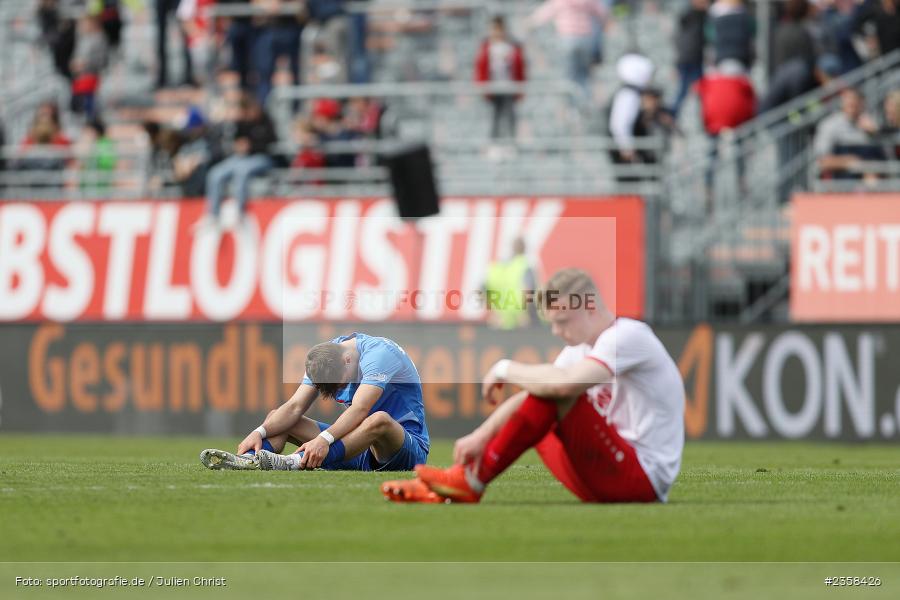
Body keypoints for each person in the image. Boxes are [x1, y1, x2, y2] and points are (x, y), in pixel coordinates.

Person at [382, 268, 684, 504]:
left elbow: (562, 388)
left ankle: (470, 483)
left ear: (590, 307)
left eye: (563, 321)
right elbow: (534, 397)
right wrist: (480, 436)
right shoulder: (582, 348)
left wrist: (505, 368)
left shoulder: (629, 336)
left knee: (556, 392)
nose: (557, 331)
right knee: (545, 391)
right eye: (552, 323)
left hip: (641, 481)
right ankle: (448, 488)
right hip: (609, 474)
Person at [200, 332, 430, 473]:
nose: (340, 390)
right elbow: (294, 407)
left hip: (404, 450)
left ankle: (293, 462)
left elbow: (360, 409)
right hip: (357, 451)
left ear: (347, 360)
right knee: (277, 418)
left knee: (378, 420)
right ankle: (249, 461)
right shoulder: (325, 358)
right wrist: (259, 432)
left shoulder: (379, 355)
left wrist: (323, 440)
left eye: (340, 385)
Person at [203, 93, 277, 223]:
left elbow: (271, 144)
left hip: (261, 157)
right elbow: (236, 141)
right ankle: (212, 215)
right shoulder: (242, 123)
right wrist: (238, 147)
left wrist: (252, 146)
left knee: (242, 172)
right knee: (215, 174)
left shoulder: (266, 121)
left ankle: (239, 212)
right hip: (241, 158)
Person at [528, 0, 608, 106]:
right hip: (585, 39)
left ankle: (571, 111)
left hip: (567, 39)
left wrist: (530, 22)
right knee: (583, 77)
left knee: (567, 78)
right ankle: (584, 108)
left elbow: (546, 12)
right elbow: (601, 12)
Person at [474, 16, 526, 140]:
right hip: (493, 88)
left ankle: (511, 141)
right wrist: (482, 87)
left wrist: (520, 88)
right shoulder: (486, 47)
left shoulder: (512, 47)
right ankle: (493, 142)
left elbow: (519, 68)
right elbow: (481, 68)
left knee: (510, 116)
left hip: (508, 87)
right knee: (494, 117)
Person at [814, 87, 881, 179]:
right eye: (849, 101)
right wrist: (849, 162)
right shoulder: (829, 125)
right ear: (842, 103)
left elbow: (884, 156)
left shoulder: (870, 123)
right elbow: (822, 161)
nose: (852, 105)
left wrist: (874, 134)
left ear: (862, 104)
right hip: (840, 179)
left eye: (855, 102)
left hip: (867, 178)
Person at [484, 237, 538, 329]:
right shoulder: (525, 265)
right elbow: (529, 291)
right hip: (520, 319)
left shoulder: (497, 267)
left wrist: (493, 312)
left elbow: (485, 288)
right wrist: (525, 314)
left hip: (500, 319)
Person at [671, 0, 708, 118]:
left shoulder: (700, 17)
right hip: (689, 59)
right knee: (684, 91)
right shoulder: (693, 16)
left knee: (701, 93)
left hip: (694, 59)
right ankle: (672, 117)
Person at [707, 0, 755, 70]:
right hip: (739, 57)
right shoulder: (743, 13)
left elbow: (709, 35)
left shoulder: (714, 12)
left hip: (723, 58)